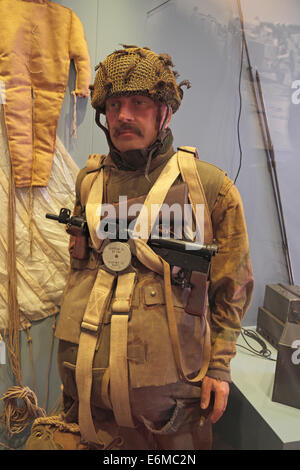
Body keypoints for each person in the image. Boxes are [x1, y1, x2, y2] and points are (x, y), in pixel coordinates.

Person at [26, 45, 254, 451]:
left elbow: (232, 285)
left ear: (165, 111)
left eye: (139, 103)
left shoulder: (210, 189)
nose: (124, 116)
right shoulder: (89, 182)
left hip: (170, 422)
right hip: (88, 412)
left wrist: (219, 365)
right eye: (114, 105)